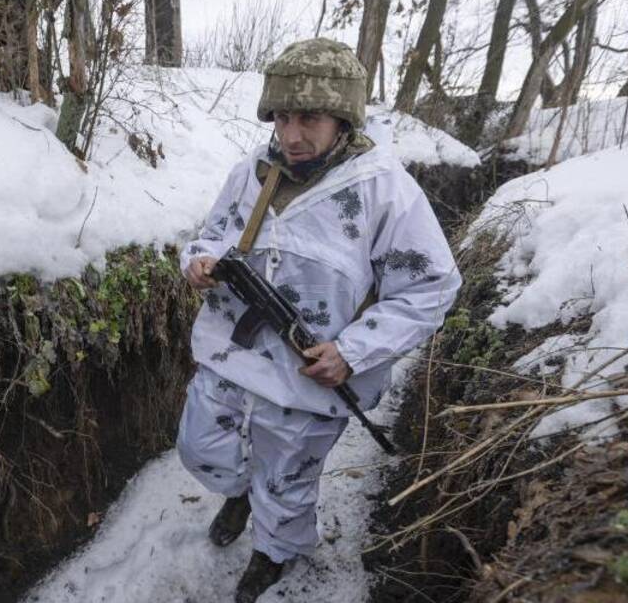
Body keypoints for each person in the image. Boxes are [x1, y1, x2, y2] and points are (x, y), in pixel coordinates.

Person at [176, 38, 461, 602]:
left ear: (343, 119)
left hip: (309, 378)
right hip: (228, 353)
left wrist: (352, 352)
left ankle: (275, 552)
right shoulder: (253, 171)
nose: (291, 134)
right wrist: (198, 263)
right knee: (199, 446)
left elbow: (431, 285)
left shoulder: (386, 191)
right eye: (282, 116)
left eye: (308, 118)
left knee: (287, 482)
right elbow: (210, 234)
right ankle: (240, 493)